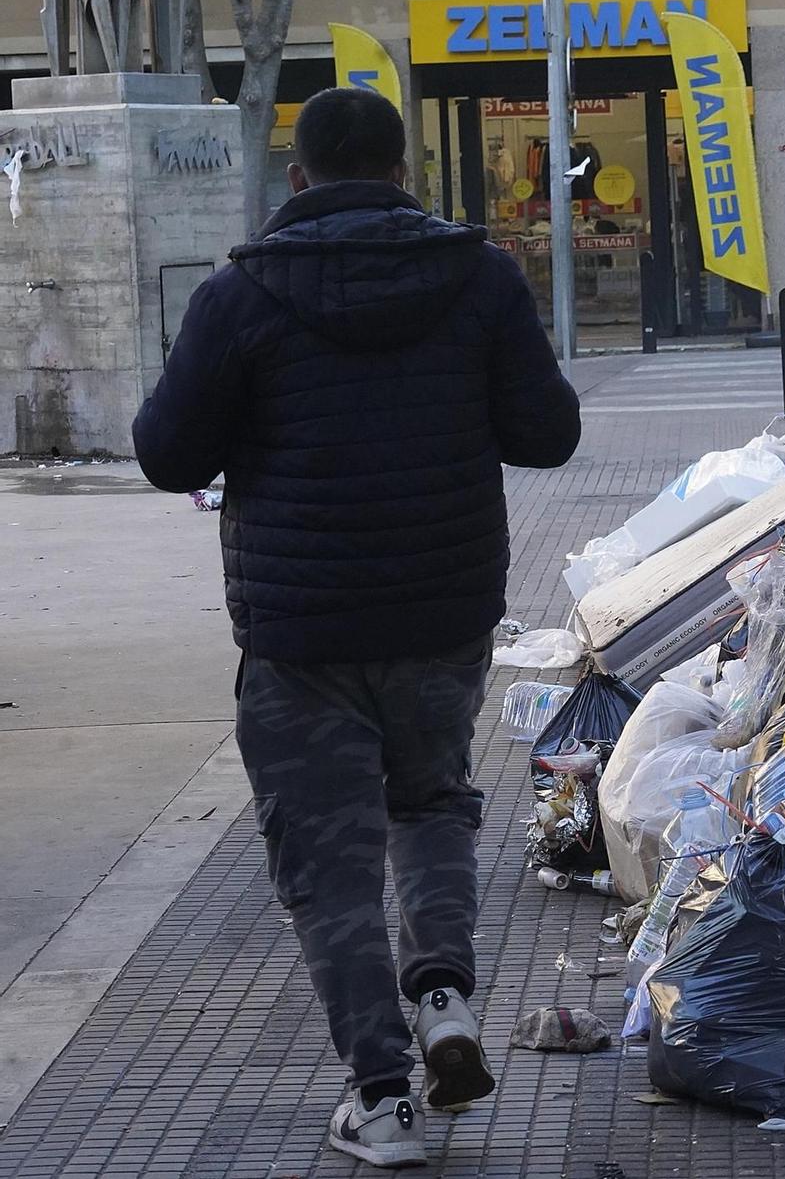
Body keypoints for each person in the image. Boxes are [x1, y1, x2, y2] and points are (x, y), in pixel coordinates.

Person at [132, 87, 581, 1169]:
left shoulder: (241, 295)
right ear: (401, 169)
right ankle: (443, 994)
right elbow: (549, 434)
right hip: (442, 613)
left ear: (298, 177)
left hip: (300, 633)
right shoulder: (477, 277)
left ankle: (383, 1100)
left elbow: (166, 455)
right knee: (431, 805)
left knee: (327, 863)